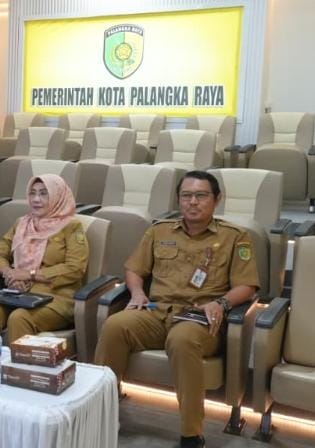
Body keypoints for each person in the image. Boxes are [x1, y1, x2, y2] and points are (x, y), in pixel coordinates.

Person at [93, 170, 259, 448]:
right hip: (157, 312)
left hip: (200, 318)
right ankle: (100, 414)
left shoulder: (235, 237)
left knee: (181, 339)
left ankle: (191, 434)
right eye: (186, 195)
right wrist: (137, 292)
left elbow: (247, 285)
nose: (192, 202)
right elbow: (134, 269)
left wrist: (221, 303)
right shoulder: (159, 231)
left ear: (217, 199)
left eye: (201, 195)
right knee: (115, 325)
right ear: (178, 199)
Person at [0, 174, 88, 344]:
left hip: (56, 297)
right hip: (17, 292)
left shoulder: (71, 227)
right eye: (32, 193)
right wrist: (10, 274)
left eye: (43, 194)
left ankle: (18, 362)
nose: (36, 199)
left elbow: (75, 269)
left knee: (19, 317)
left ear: (57, 196)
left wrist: (29, 274)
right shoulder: (22, 223)